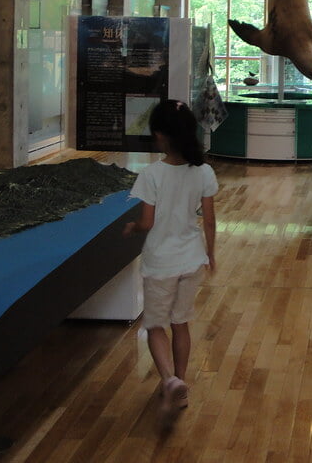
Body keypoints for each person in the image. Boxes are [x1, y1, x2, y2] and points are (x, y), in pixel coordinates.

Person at [123, 99, 218, 428]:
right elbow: (209, 220)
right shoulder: (203, 171)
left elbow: (147, 222)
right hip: (192, 259)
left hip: (161, 262)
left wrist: (133, 227)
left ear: (160, 136)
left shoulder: (151, 174)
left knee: (155, 326)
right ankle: (181, 383)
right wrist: (211, 254)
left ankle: (169, 381)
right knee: (181, 324)